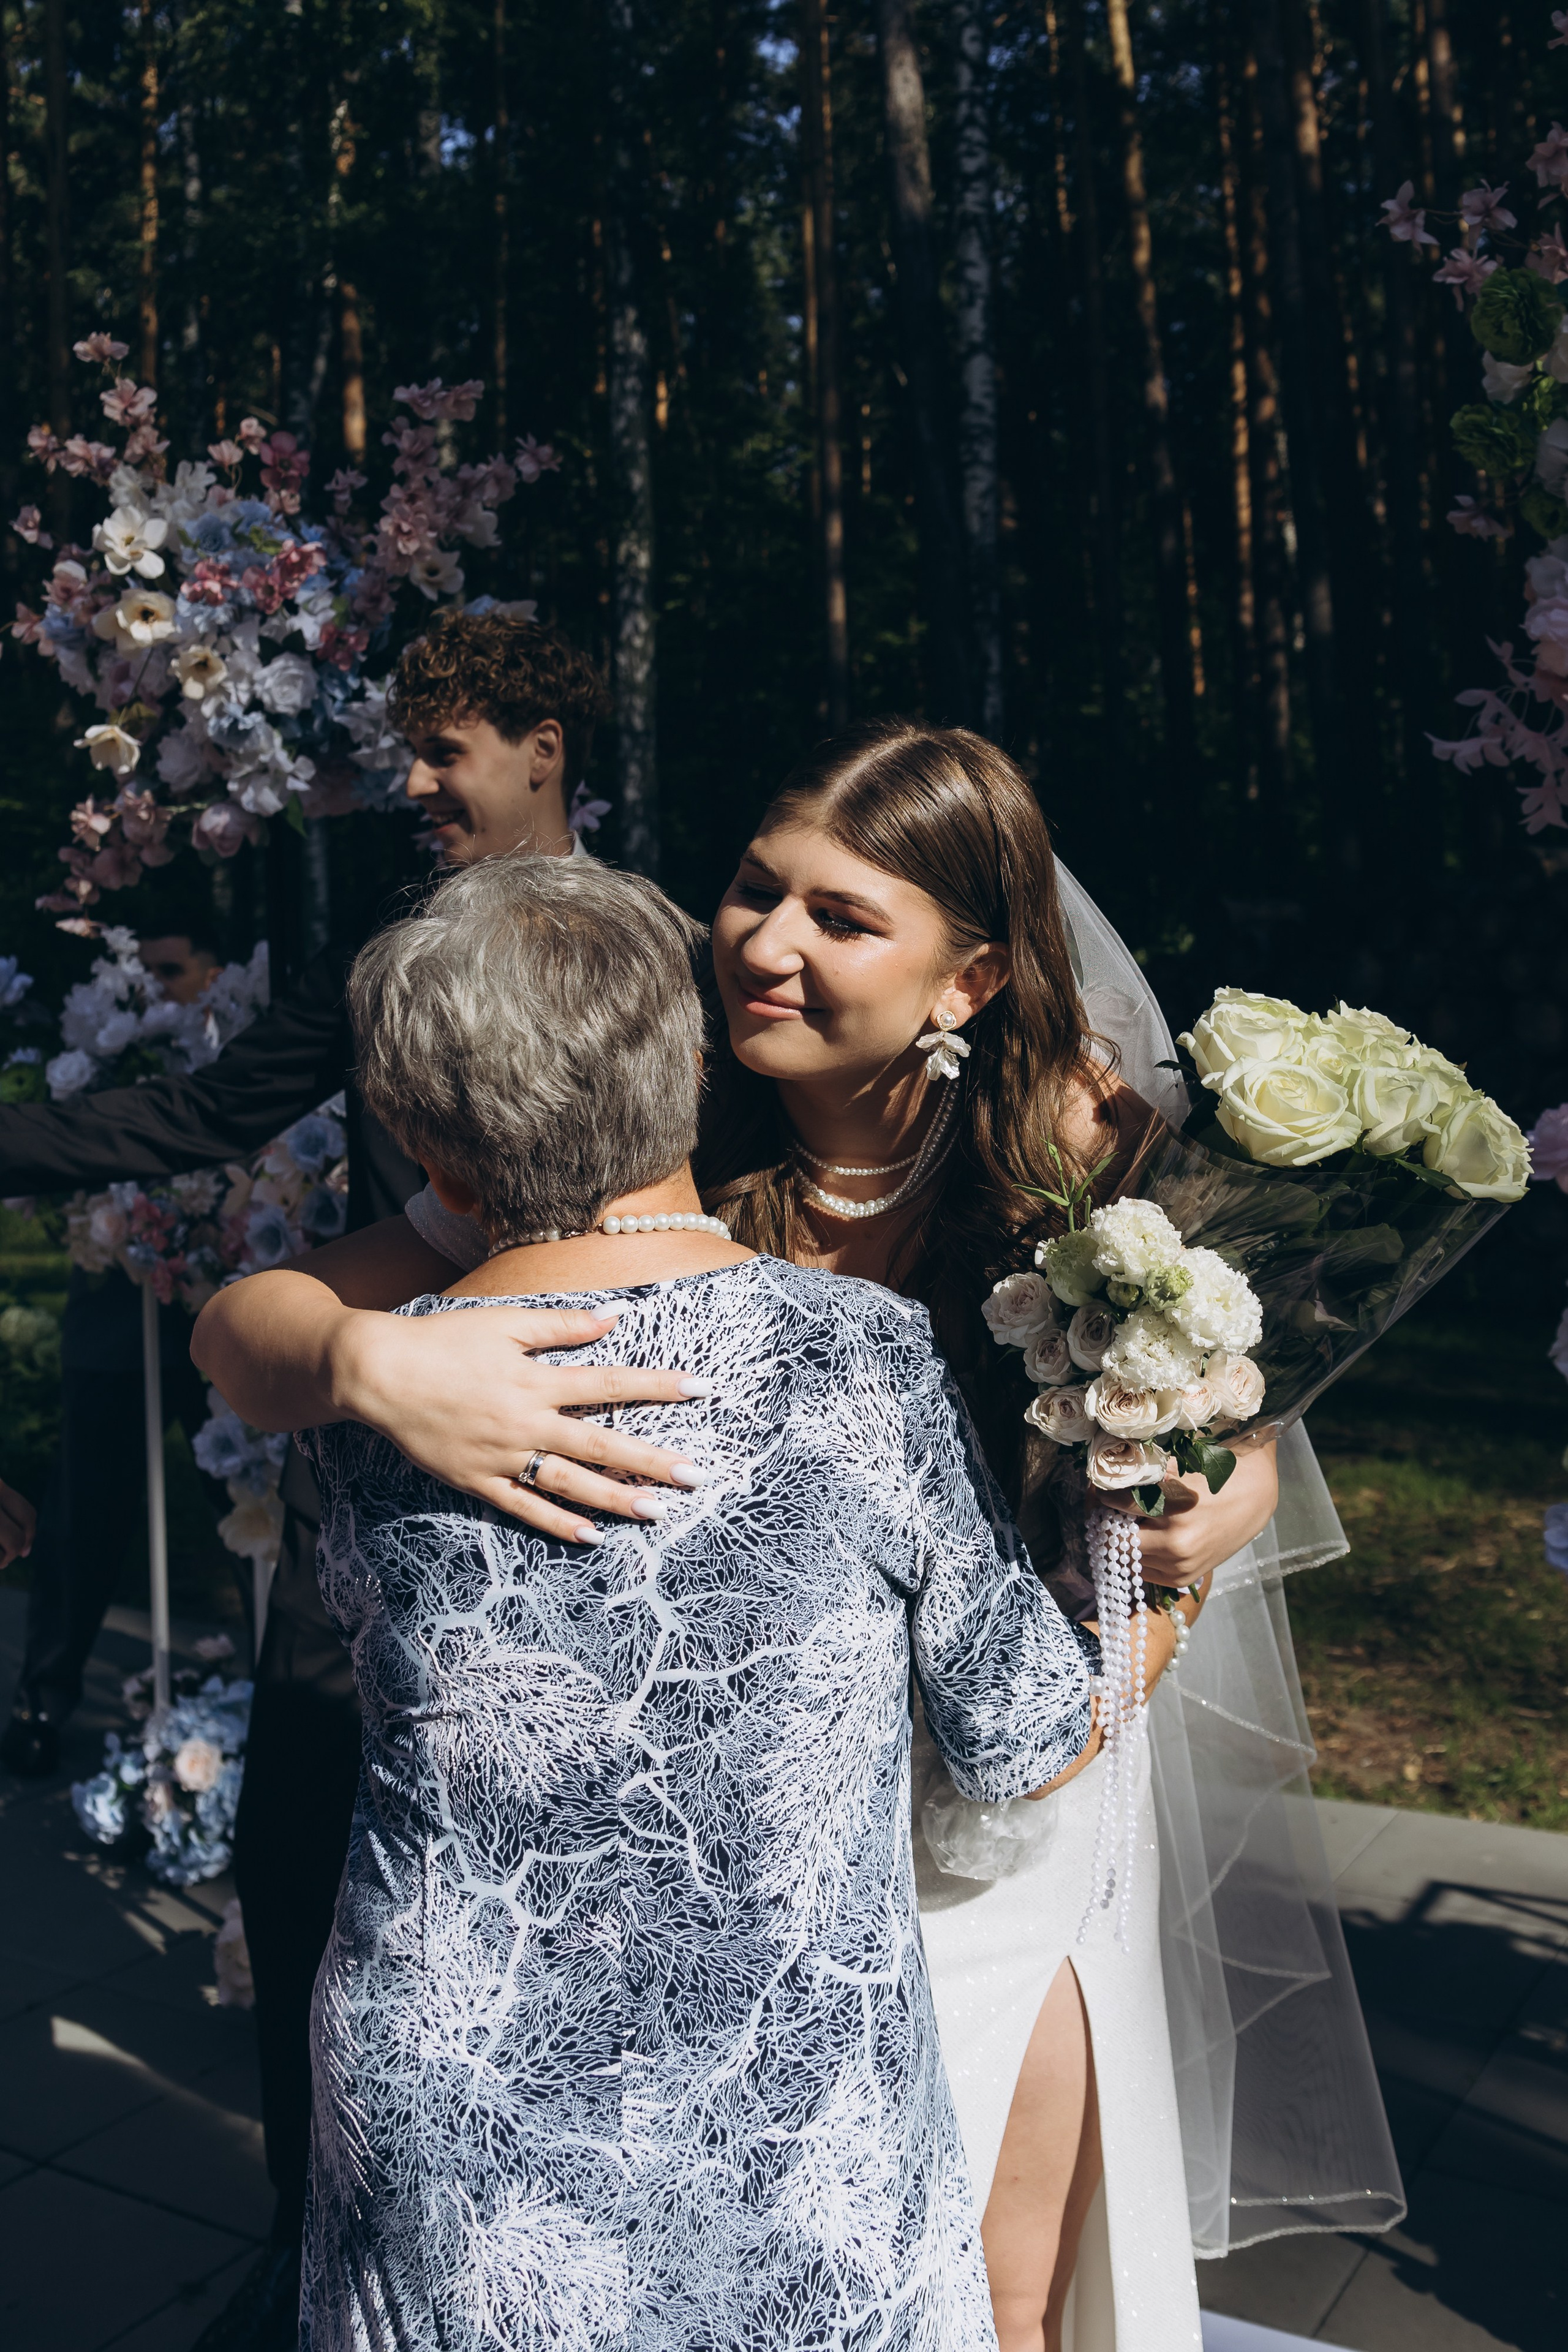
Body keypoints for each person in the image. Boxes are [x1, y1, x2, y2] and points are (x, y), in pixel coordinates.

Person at [198, 720, 1402, 2352]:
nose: (764, 945)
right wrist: (367, 1355)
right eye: (758, 890)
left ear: (966, 981)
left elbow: (1167, 1494)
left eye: (841, 919)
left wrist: (1202, 1515)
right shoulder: (641, 1138)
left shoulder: (1086, 1191)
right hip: (681, 1872)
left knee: (1003, 2287)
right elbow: (246, 1322)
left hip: (977, 1835)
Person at [268, 849, 1101, 2348]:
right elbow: (1022, 1732)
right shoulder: (855, 1355)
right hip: (789, 2118)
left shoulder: (375, 1388)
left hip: (449, 2110)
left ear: (433, 1158)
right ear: (689, 1064)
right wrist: (1151, 1570)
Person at [0, 612, 700, 2352]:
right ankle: (312, 2240)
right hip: (382, 1452)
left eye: (442, 747)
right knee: (302, 1832)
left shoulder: (671, 946)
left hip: (631, 1451)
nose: (407, 780)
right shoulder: (388, 946)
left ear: (545, 745)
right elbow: (200, 1116)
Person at [1, 894, 237, 1782]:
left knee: (250, 1514)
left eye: (172, 973)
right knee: (78, 1524)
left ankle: (269, 1697)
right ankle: (41, 1700)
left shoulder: (249, 1056)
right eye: (144, 975)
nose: (154, 994)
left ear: (215, 975)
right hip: (113, 1314)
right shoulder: (102, 1055)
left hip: (220, 1313)